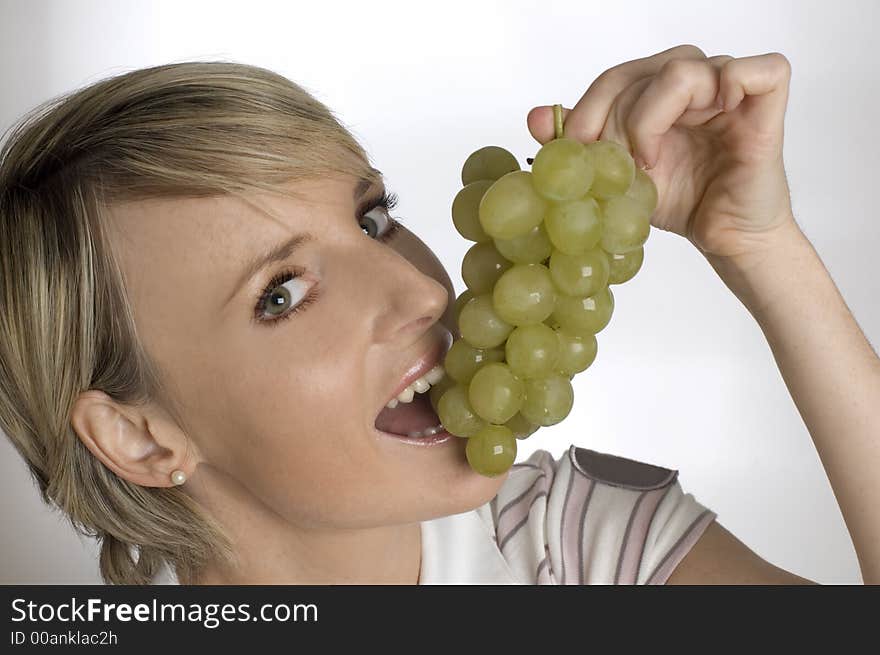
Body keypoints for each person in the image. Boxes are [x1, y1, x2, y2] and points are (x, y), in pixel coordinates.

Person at [0, 45, 874, 586]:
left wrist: (762, 246)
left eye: (373, 218)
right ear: (139, 437)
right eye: (283, 292)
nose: (421, 290)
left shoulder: (579, 546)